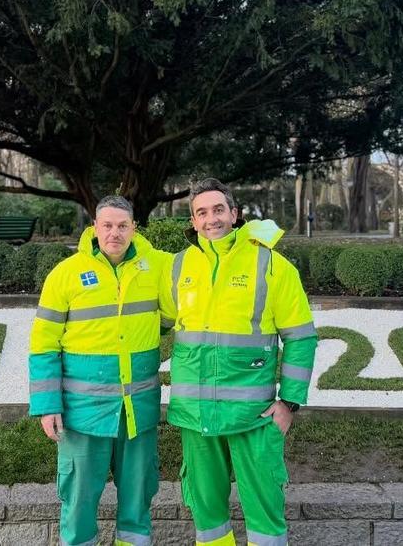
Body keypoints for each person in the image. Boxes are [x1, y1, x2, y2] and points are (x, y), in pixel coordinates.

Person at [161, 178, 318, 546]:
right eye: (202, 212)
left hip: (255, 415)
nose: (211, 218)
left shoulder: (272, 265)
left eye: (218, 210)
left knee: (264, 511)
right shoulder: (178, 266)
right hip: (196, 415)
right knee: (208, 515)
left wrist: (289, 402)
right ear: (193, 221)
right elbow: (157, 323)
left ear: (235, 214)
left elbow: (301, 336)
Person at [28, 195, 172, 546]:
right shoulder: (65, 274)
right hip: (82, 414)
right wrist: (47, 405)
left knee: (138, 502)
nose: (114, 233)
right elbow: (44, 344)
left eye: (123, 226)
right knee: (78, 501)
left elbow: (170, 317)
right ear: (94, 227)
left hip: (138, 410)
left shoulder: (159, 266)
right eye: (107, 225)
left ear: (134, 228)